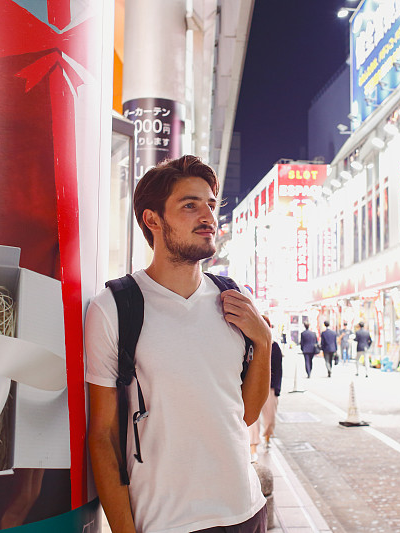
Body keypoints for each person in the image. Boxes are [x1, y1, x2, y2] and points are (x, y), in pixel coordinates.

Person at [85, 155, 271, 533]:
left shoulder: (233, 299)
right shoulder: (115, 308)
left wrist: (263, 342)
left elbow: (244, 415)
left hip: (246, 510)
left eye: (210, 204)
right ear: (152, 219)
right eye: (190, 205)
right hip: (166, 520)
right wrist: (123, 528)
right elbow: (102, 435)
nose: (207, 216)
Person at [248, 316, 284, 460]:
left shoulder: (274, 346)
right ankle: (253, 447)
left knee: (270, 419)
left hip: (270, 388)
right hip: (252, 388)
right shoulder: (249, 344)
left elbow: (279, 370)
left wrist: (277, 389)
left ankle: (268, 437)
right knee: (252, 420)